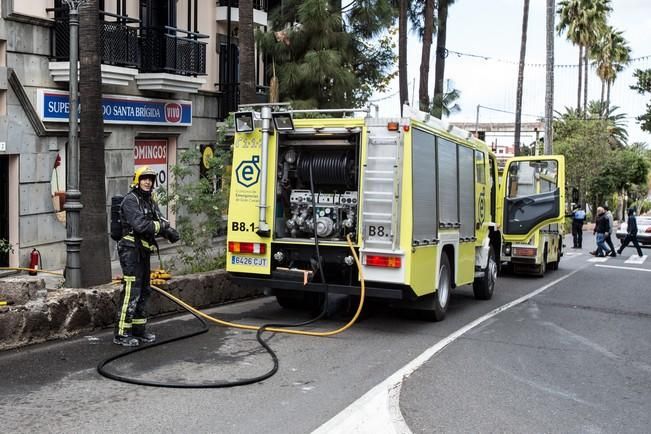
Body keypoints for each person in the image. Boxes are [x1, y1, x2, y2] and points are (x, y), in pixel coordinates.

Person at [114, 166, 180, 347]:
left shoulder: (149, 201)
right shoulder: (130, 201)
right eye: (144, 178)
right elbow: (141, 225)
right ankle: (121, 333)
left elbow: (159, 220)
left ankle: (138, 330)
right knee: (132, 290)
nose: (148, 182)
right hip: (130, 250)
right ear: (137, 180)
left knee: (144, 290)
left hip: (143, 250)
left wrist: (171, 233)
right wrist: (162, 227)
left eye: (150, 179)